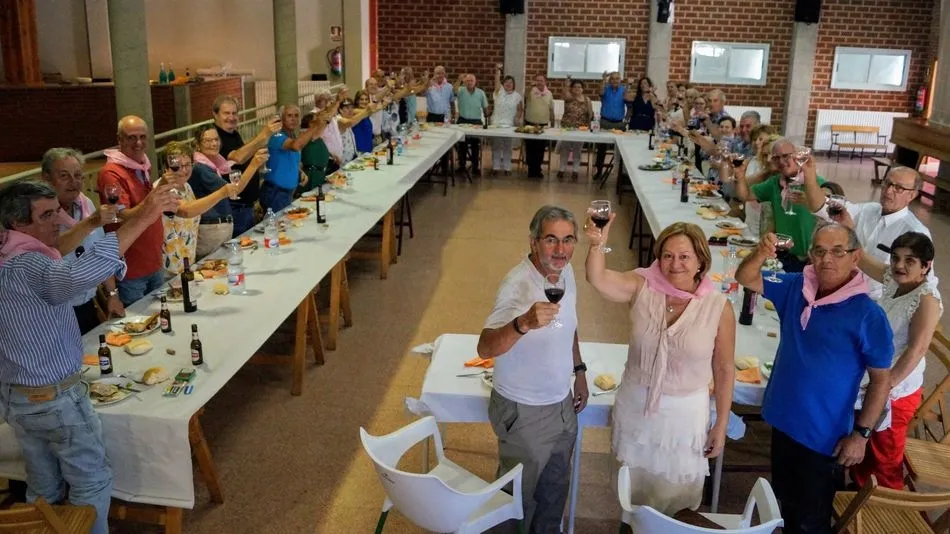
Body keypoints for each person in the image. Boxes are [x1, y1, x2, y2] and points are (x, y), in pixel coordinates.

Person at [0, 179, 179, 534]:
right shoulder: (28, 264)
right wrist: (144, 218)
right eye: (47, 214)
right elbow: (81, 272)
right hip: (53, 398)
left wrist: (93, 223)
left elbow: (61, 252)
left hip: (15, 397)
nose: (58, 220)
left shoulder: (8, 251)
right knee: (91, 482)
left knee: (44, 486)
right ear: (19, 224)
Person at [735, 224, 893, 534]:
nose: (826, 259)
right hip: (784, 421)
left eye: (837, 251)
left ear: (856, 257)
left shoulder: (868, 315)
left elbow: (881, 381)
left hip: (823, 436)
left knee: (810, 521)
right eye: (819, 251)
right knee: (784, 503)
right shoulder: (796, 286)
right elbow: (746, 278)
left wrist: (861, 435)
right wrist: (761, 252)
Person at [586, 218, 735, 514]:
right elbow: (597, 278)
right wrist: (596, 243)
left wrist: (721, 422)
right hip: (637, 408)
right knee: (633, 498)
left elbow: (724, 369)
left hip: (684, 419)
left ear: (700, 261)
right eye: (667, 255)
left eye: (684, 256)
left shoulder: (718, 307)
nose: (675, 264)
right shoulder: (642, 286)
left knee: (675, 502)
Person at [476, 205, 588, 533]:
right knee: (515, 503)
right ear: (533, 242)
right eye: (551, 240)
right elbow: (485, 347)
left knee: (553, 495)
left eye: (568, 240)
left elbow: (570, 324)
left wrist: (579, 370)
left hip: (560, 404)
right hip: (524, 411)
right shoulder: (517, 286)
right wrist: (523, 322)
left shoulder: (564, 273)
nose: (560, 249)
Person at [850, 232, 941, 489]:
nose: (899, 265)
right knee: (866, 445)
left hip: (898, 388)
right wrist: (844, 228)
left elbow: (916, 350)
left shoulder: (927, 300)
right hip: (878, 373)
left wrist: (885, 386)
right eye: (895, 258)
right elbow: (863, 260)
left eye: (910, 260)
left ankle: (888, 503)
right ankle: (860, 492)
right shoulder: (894, 279)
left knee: (885, 456)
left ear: (926, 266)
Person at [805, 166, 935, 299]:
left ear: (912, 195)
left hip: (874, 300)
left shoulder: (915, 232)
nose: (889, 191)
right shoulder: (867, 210)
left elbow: (922, 285)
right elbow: (822, 207)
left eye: (898, 188)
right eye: (887, 184)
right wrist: (808, 173)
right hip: (842, 290)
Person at [41, 148, 124, 333]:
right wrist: (91, 223)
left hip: (87, 305)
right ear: (46, 178)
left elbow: (101, 251)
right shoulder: (39, 214)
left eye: (78, 175)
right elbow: (54, 250)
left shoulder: (85, 204)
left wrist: (112, 294)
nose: (73, 182)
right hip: (56, 314)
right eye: (64, 176)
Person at [97, 115, 167, 305]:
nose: (138, 143)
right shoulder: (111, 173)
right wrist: (154, 199)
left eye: (142, 137)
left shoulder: (141, 166)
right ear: (119, 140)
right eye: (131, 137)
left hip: (153, 262)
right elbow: (123, 216)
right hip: (132, 270)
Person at [734, 139, 827, 272]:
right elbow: (745, 195)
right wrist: (740, 176)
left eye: (785, 156)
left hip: (809, 260)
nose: (781, 161)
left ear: (797, 155)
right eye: (776, 157)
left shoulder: (817, 183)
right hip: (783, 255)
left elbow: (830, 215)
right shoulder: (774, 183)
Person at [190, 126, 269, 255]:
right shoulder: (201, 168)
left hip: (219, 226)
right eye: (207, 141)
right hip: (212, 229)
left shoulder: (214, 163)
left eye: (216, 139)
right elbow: (233, 190)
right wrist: (253, 164)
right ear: (198, 145)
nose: (214, 144)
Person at [211, 95, 281, 235]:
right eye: (226, 113)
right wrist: (264, 134)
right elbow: (237, 158)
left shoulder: (233, 133)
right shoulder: (215, 137)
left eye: (234, 113)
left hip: (245, 206)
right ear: (215, 115)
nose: (231, 117)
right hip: (234, 207)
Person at [261, 104, 324, 213]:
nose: (293, 119)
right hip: (276, 193)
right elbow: (295, 146)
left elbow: (290, 159)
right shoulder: (277, 136)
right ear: (282, 118)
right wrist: (314, 126)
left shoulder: (292, 136)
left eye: (296, 116)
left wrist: (299, 172)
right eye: (289, 116)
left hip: (287, 193)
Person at [594, 72, 630, 180]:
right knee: (601, 148)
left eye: (617, 79)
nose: (615, 81)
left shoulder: (624, 90)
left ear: (620, 80)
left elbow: (630, 105)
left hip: (619, 123)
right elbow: (600, 92)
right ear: (610, 80)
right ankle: (599, 171)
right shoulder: (605, 88)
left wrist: (626, 120)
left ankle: (621, 175)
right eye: (613, 79)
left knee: (622, 149)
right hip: (605, 121)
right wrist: (603, 79)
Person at [489, 65, 523, 176]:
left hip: (509, 125)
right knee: (496, 146)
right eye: (506, 82)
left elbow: (519, 109)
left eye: (511, 82)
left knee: (508, 147)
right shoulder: (499, 92)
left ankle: (508, 168)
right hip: (496, 124)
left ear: (514, 85)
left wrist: (517, 118)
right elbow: (496, 81)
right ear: (503, 84)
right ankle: (495, 167)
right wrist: (498, 71)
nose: (508, 84)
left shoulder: (517, 96)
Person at [556, 77, 593, 181]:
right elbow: (564, 93)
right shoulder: (568, 97)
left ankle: (575, 170)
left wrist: (590, 126)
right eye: (575, 87)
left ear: (583, 89)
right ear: (571, 88)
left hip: (582, 129)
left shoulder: (587, 99)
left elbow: (590, 114)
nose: (577, 88)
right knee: (565, 149)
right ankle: (562, 169)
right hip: (567, 128)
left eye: (579, 87)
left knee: (578, 150)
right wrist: (566, 83)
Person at [455, 74, 489, 176]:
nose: (469, 82)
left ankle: (475, 166)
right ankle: (462, 166)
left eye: (471, 80)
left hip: (476, 121)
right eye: (467, 80)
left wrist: (487, 119)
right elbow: (453, 90)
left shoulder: (481, 93)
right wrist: (458, 80)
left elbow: (485, 107)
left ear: (475, 82)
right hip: (462, 120)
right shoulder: (460, 90)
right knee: (461, 144)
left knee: (475, 144)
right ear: (464, 82)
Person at [523, 74, 555, 179]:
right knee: (530, 147)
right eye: (537, 80)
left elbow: (551, 110)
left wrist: (553, 123)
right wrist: (530, 86)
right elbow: (525, 94)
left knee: (540, 148)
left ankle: (538, 169)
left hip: (543, 124)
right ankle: (531, 169)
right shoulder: (530, 91)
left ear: (545, 82)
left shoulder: (549, 94)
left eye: (541, 80)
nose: (539, 82)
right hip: (530, 123)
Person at [299, 112, 332, 192]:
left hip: (320, 174)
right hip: (312, 177)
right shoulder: (306, 134)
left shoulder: (317, 135)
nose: (320, 122)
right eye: (317, 120)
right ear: (311, 124)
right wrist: (326, 120)